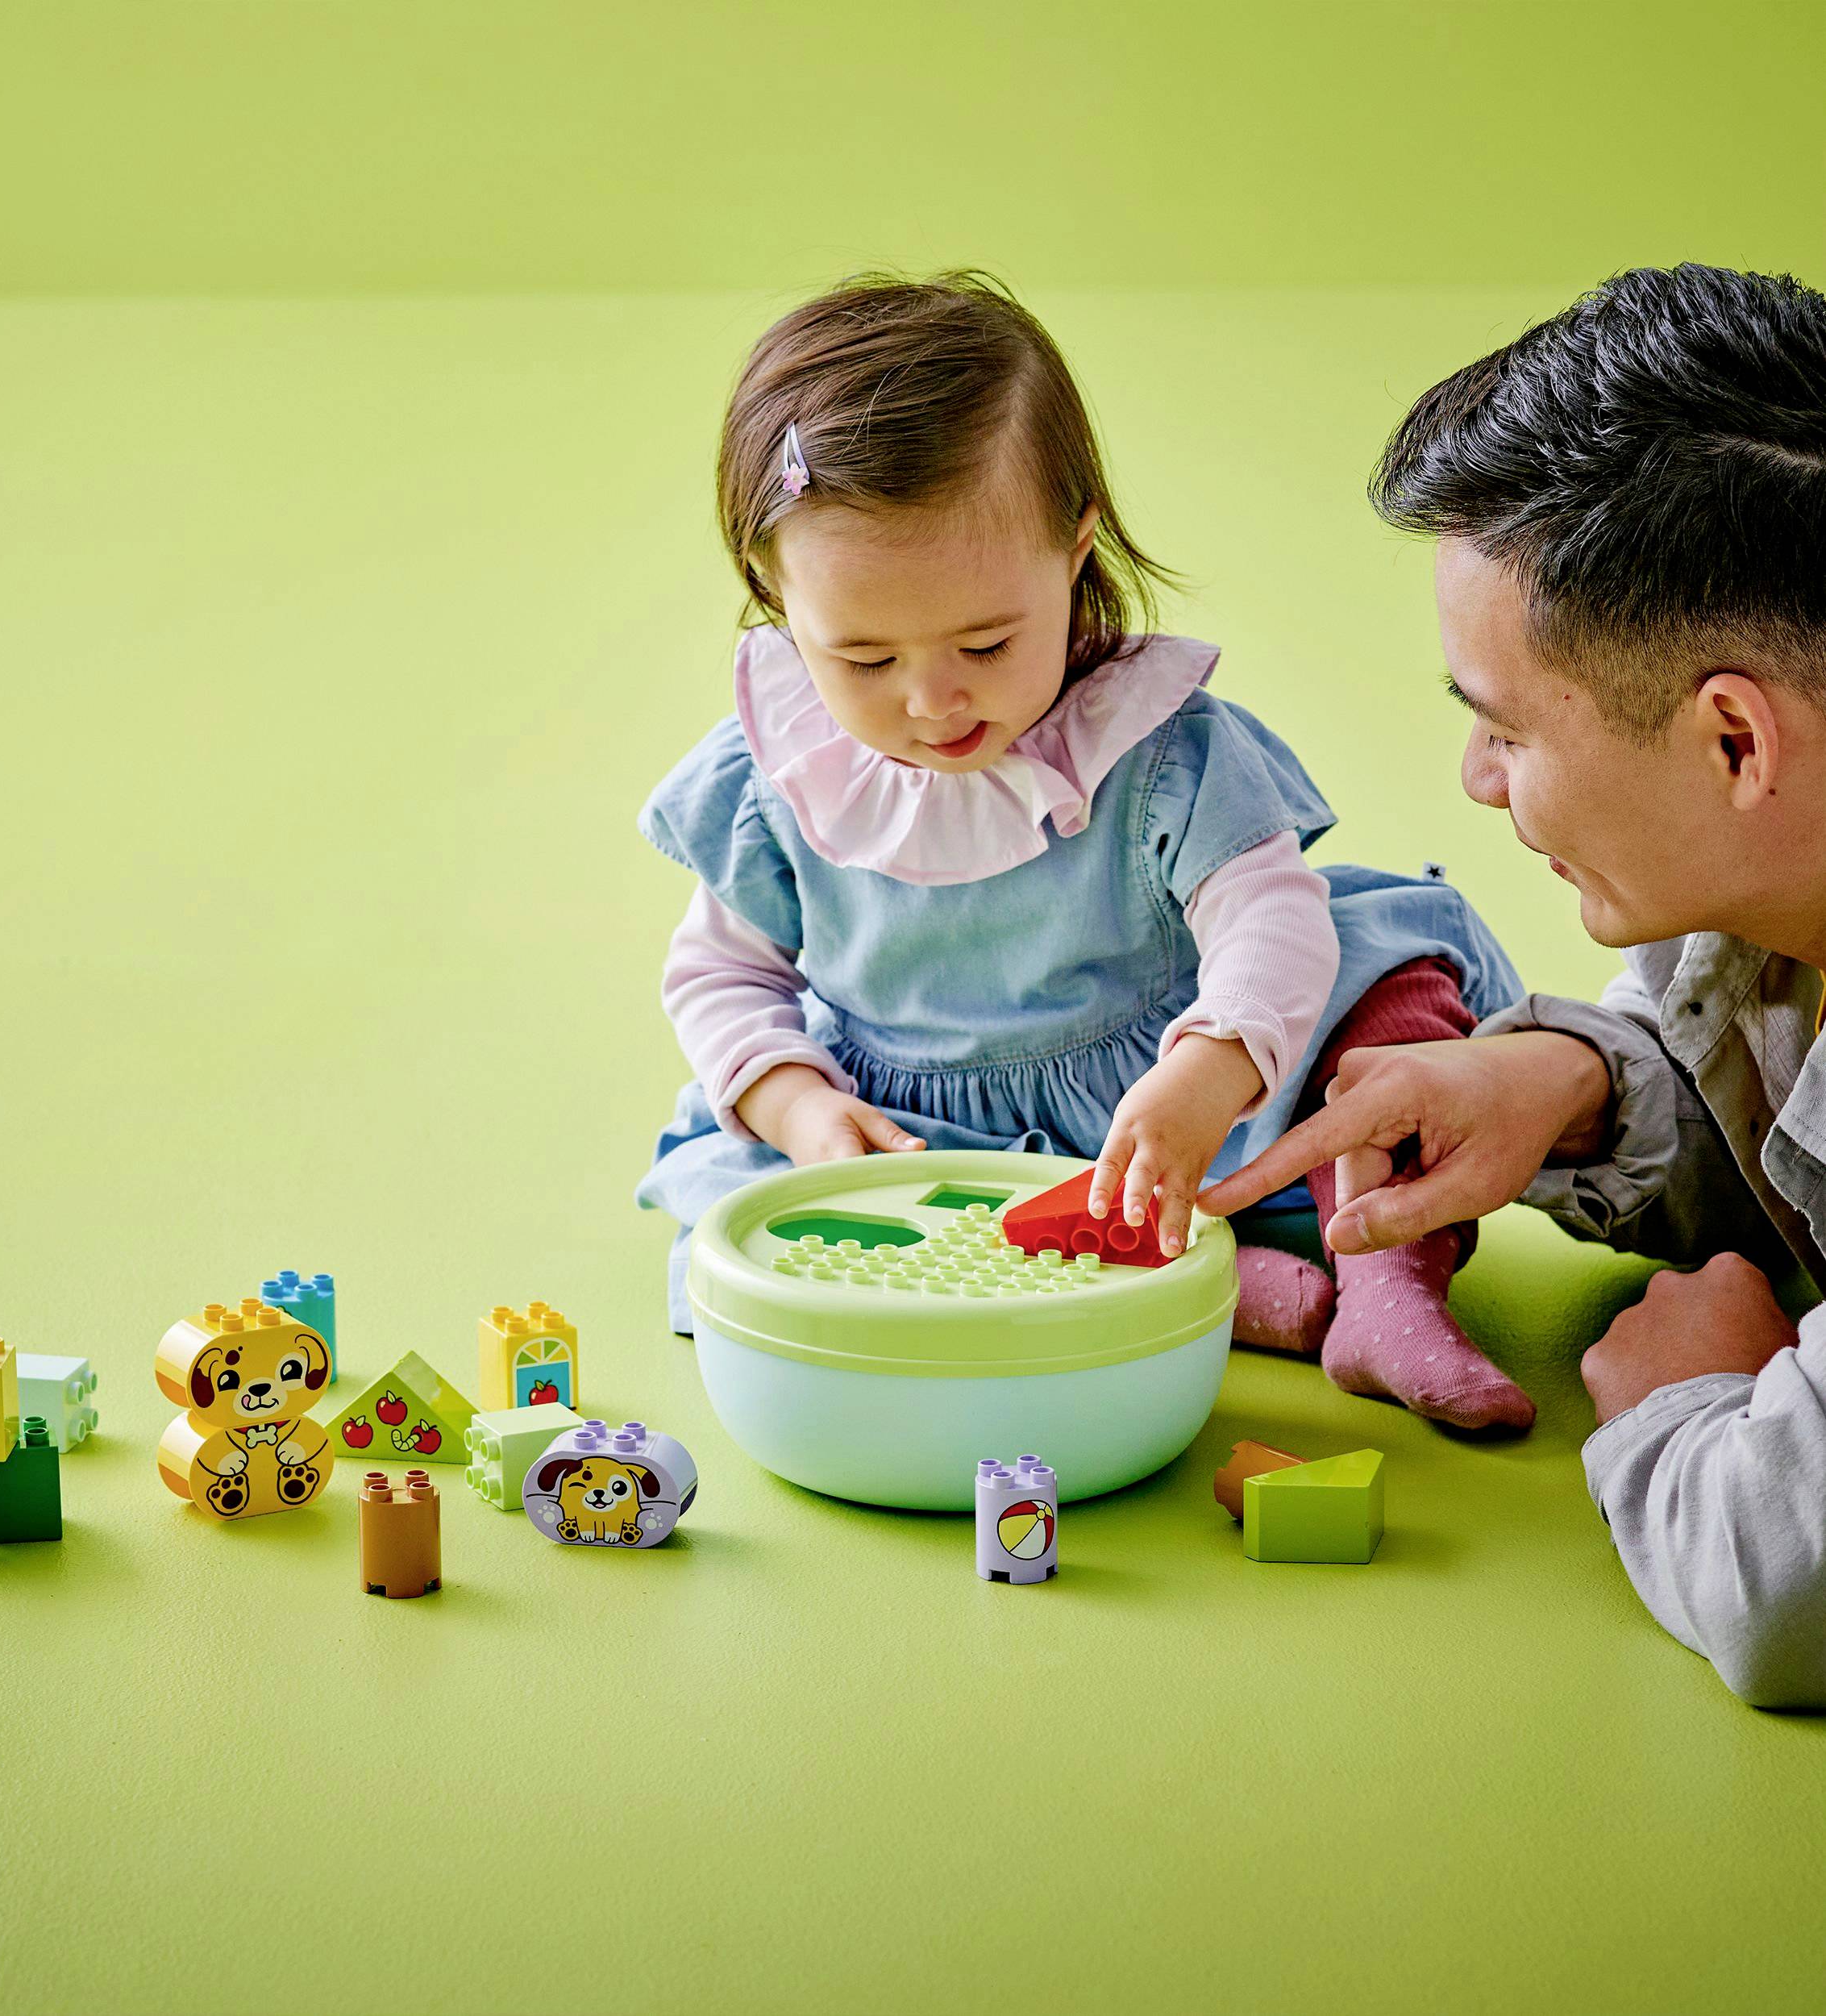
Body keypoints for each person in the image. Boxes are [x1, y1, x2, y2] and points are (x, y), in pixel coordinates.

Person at [635, 270, 1533, 1431]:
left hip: (1175, 1114)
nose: (932, 700)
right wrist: (801, 1106)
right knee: (736, 1208)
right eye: (864, 659)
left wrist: (1210, 1066)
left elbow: (1269, 917)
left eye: (987, 640)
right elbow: (721, 975)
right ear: (775, 596)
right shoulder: (781, 782)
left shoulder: (1153, 751)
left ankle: (1382, 1285)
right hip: (925, 1137)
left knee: (1397, 993)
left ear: (1075, 548)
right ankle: (1205, 1286)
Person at [1201, 264, 1826, 1709]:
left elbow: (1791, 1595)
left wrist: (1692, 1397)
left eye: (1504, 731)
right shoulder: (1764, 897)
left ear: (1737, 743)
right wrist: (1578, 1086)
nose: (1477, 785)